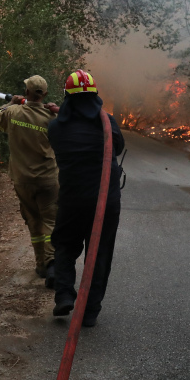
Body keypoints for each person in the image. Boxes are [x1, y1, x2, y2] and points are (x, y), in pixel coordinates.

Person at [47, 70, 124, 327]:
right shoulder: (108, 123)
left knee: (65, 245)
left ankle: (64, 295)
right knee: (100, 253)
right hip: (105, 202)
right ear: (96, 96)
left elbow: (70, 125)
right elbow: (118, 146)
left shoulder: (56, 127)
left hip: (73, 200)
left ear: (67, 98)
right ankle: (89, 312)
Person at [0, 75, 60, 287]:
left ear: (25, 92)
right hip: (47, 180)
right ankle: (52, 263)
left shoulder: (13, 112)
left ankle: (41, 266)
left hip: (22, 180)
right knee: (50, 221)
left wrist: (9, 103)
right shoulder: (51, 118)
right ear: (44, 95)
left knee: (33, 220)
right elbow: (71, 126)